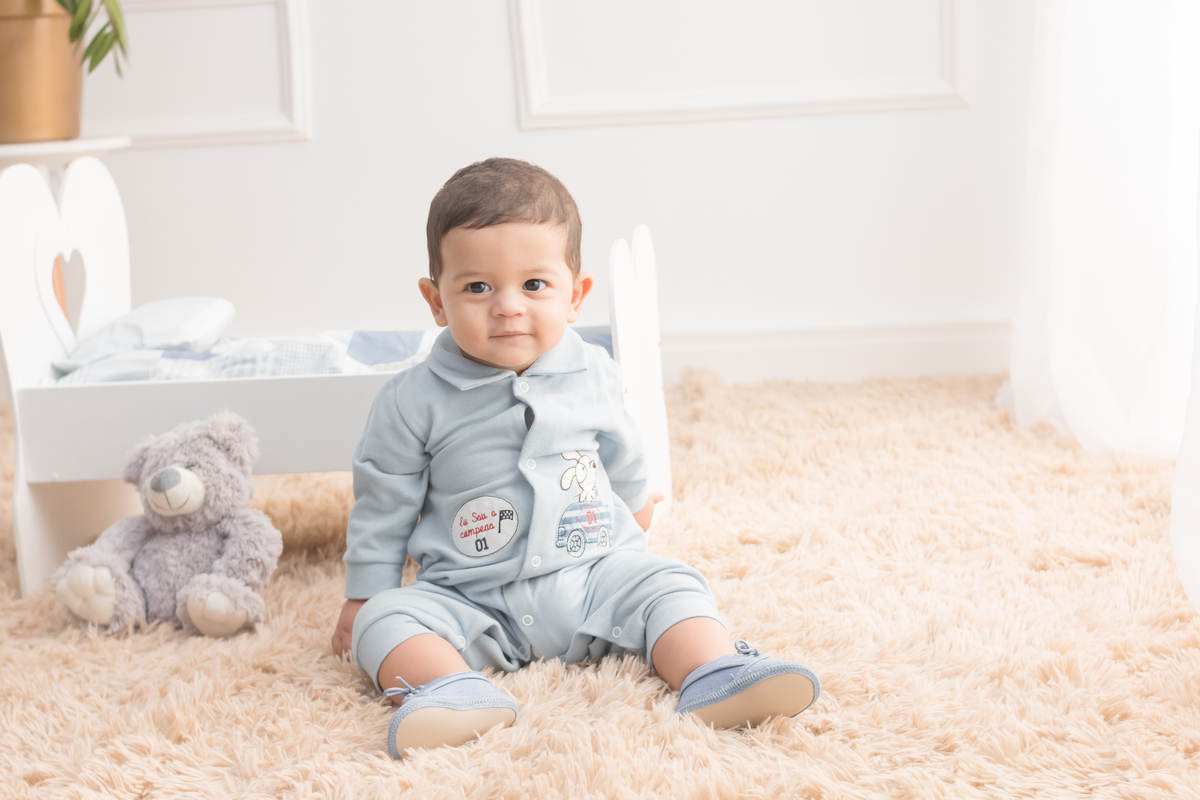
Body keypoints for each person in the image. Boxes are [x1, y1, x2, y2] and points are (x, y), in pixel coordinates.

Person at [329, 158, 820, 759]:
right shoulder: (412, 400)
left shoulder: (593, 372)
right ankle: (449, 689)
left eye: (534, 285)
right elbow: (384, 502)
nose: (507, 306)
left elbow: (623, 448)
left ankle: (714, 673)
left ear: (575, 295)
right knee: (386, 622)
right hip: (472, 597)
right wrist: (364, 594)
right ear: (436, 300)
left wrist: (636, 506)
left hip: (594, 576)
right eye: (477, 286)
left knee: (670, 583)